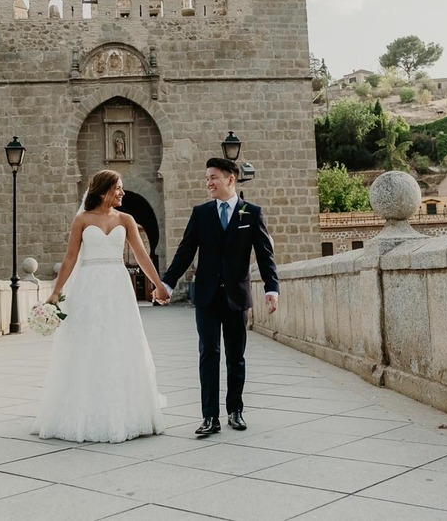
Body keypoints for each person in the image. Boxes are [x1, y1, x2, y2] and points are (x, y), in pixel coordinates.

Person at [35, 170, 171, 443]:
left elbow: (142, 256)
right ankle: (85, 411)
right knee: (88, 343)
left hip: (118, 287)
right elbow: (70, 259)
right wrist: (55, 292)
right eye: (118, 188)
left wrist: (159, 285)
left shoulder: (126, 220)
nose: (122, 192)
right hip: (88, 286)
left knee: (121, 343)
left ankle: (125, 410)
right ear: (102, 190)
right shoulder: (82, 220)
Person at [162, 157, 279, 435]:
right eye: (206, 179)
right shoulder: (200, 214)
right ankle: (209, 417)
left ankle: (235, 411)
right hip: (206, 297)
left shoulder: (251, 213)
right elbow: (185, 252)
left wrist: (271, 288)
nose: (208, 183)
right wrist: (167, 284)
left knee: (236, 356)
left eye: (213, 177)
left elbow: (265, 255)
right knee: (209, 353)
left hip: (237, 297)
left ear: (230, 178)